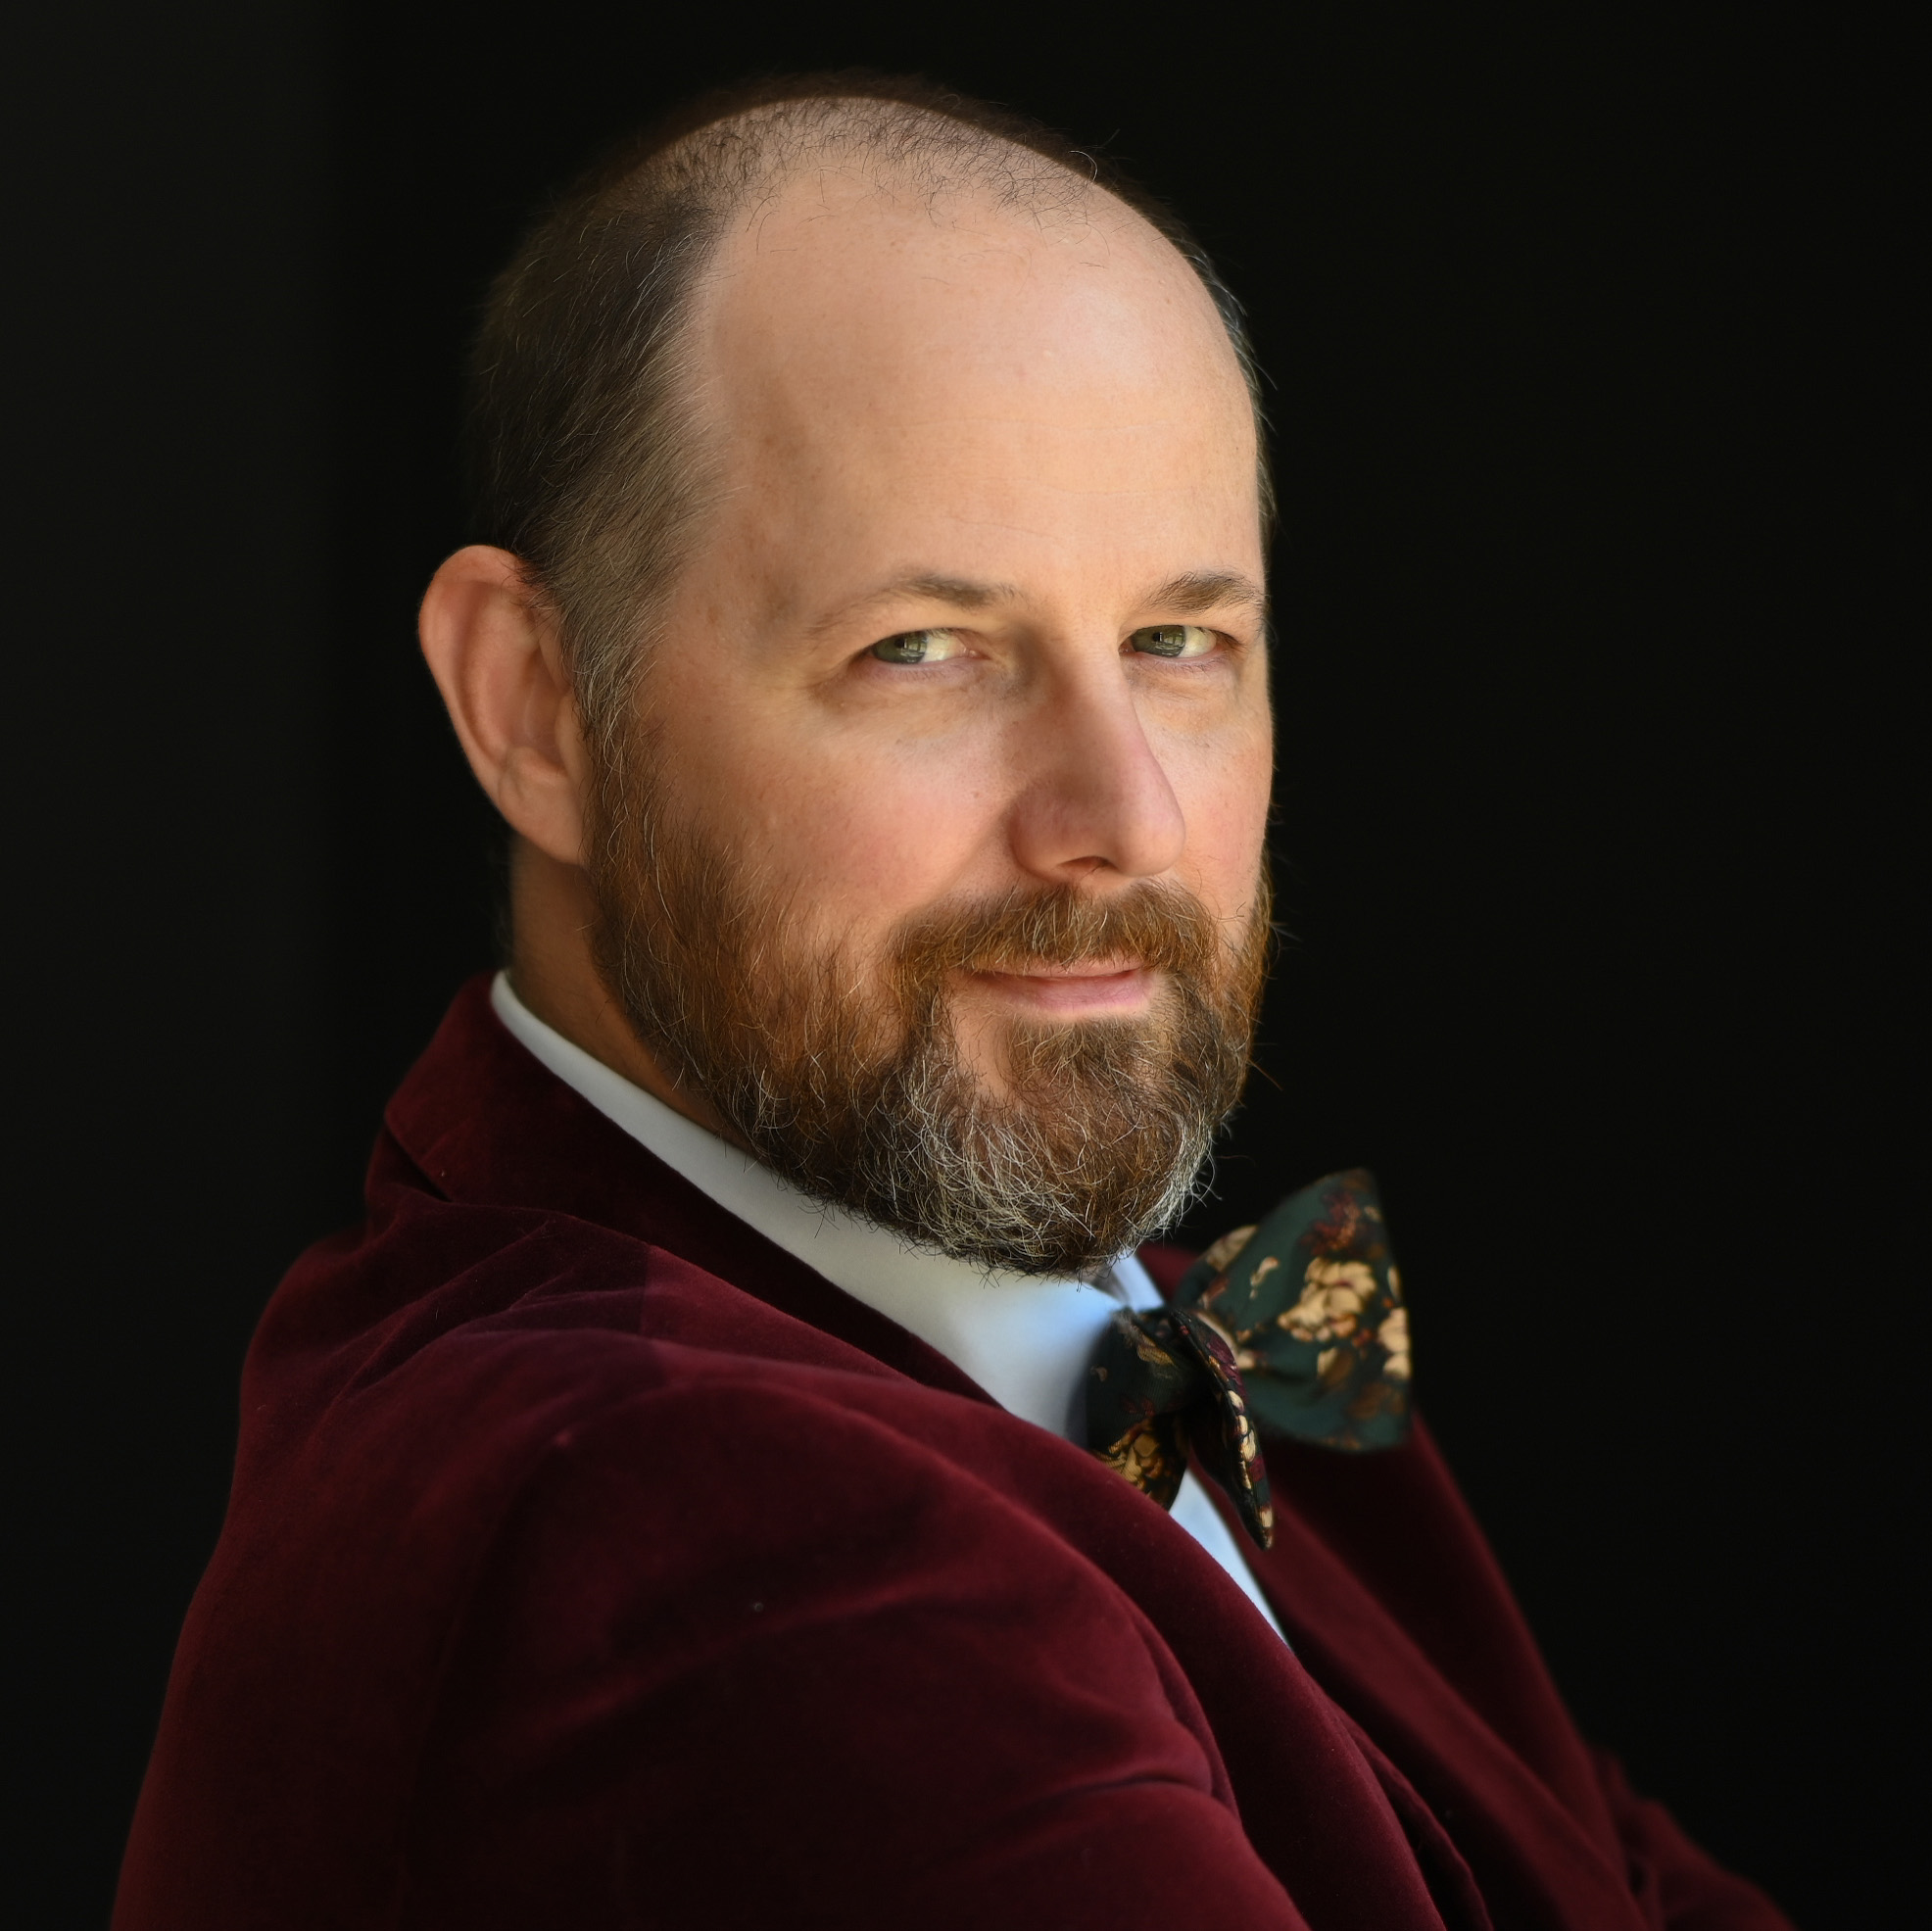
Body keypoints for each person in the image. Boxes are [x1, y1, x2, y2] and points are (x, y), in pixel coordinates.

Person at [115, 75, 1791, 1929]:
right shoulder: (692, 1528)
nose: (1124, 819)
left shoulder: (1171, 1327)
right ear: (534, 704)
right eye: (922, 650)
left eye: (1179, 643)